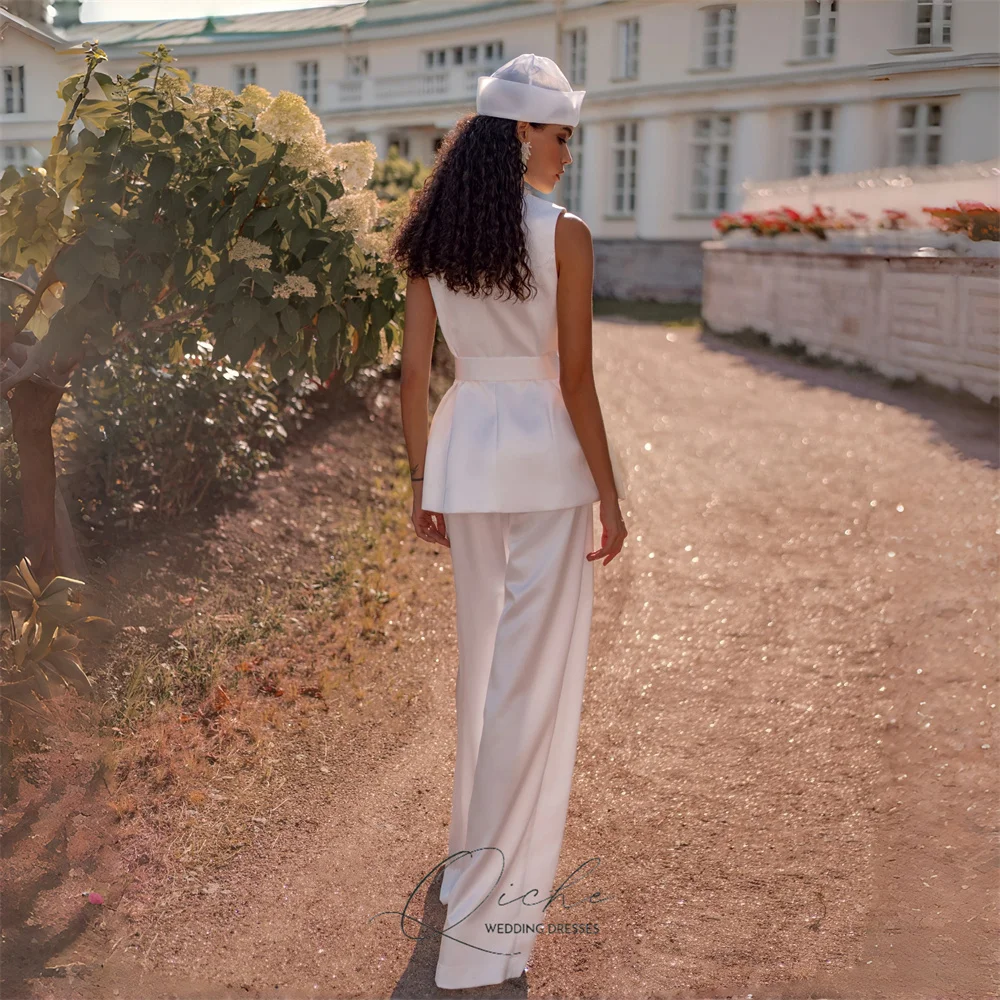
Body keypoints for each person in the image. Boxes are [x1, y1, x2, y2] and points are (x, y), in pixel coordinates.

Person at [391, 53, 628, 990]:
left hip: (466, 460)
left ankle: (466, 869)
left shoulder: (436, 237)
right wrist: (610, 492)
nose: (569, 154)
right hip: (545, 468)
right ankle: (488, 920)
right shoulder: (562, 235)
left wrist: (420, 482)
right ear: (522, 133)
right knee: (528, 684)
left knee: (483, 670)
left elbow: (414, 378)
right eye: (561, 134)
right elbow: (574, 381)